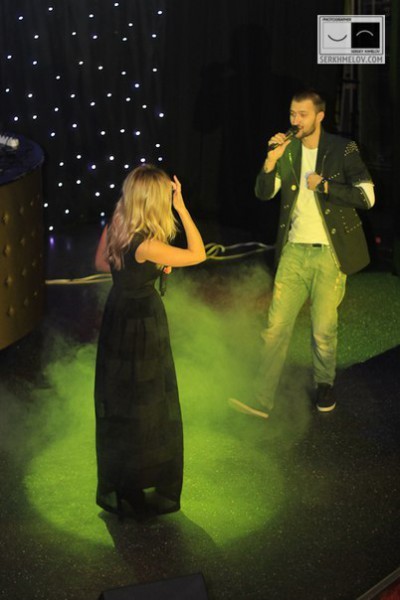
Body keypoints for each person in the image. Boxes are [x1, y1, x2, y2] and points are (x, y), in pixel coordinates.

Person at [229, 89, 375, 419]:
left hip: (329, 254)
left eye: (303, 115)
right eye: (292, 114)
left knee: (323, 329)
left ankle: (324, 384)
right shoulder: (289, 150)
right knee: (275, 327)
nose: (295, 120)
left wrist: (325, 186)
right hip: (294, 251)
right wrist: (271, 161)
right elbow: (264, 193)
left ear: (320, 116)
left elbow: (367, 197)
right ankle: (262, 396)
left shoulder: (342, 148)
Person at [94, 164, 206, 518]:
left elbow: (101, 263)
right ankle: (140, 479)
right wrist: (183, 208)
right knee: (147, 405)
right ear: (155, 200)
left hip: (117, 316)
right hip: (142, 324)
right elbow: (199, 253)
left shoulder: (117, 226)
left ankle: (125, 481)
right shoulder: (148, 244)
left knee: (121, 399)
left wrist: (143, 268)